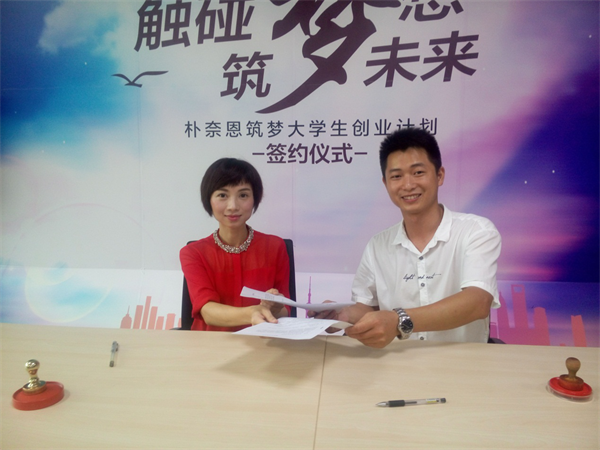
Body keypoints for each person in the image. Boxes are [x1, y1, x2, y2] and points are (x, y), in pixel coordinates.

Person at [312, 128, 501, 347]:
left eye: (418, 172)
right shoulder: (377, 246)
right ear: (386, 184)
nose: (408, 185)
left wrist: (398, 320)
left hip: (463, 362)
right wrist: (342, 315)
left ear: (439, 175)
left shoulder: (476, 231)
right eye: (396, 176)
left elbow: (478, 302)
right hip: (395, 362)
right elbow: (369, 308)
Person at [180, 158, 290, 331]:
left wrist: (275, 308)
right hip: (209, 343)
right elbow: (208, 311)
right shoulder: (193, 253)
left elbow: (286, 310)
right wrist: (253, 312)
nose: (233, 206)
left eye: (243, 195)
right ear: (209, 199)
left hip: (262, 341)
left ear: (255, 199)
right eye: (222, 195)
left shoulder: (275, 247)